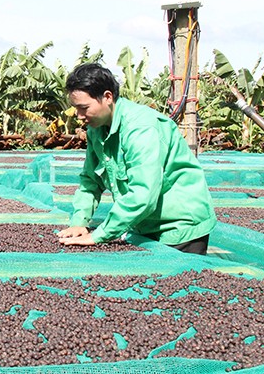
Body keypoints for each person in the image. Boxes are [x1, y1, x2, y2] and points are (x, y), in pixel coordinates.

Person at [56, 63, 216, 254]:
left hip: (179, 226)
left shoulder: (141, 129)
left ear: (107, 97)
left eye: (84, 108)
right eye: (76, 109)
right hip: (143, 225)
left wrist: (99, 234)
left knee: (175, 280)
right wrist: (78, 222)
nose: (79, 116)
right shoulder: (95, 130)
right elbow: (90, 180)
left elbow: (143, 194)